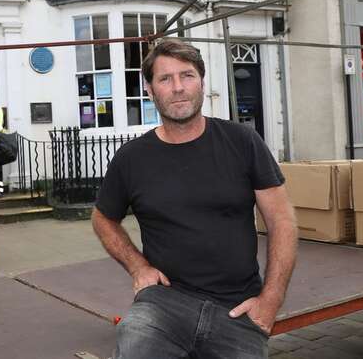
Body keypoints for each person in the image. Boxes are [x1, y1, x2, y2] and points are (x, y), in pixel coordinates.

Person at [91, 39, 297, 359]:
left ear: (201, 81)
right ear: (149, 90)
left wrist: (271, 299)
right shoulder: (132, 158)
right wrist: (137, 267)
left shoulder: (242, 141)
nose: (177, 87)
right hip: (162, 306)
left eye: (186, 76)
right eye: (165, 78)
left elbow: (282, 220)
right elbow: (103, 217)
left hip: (237, 309)